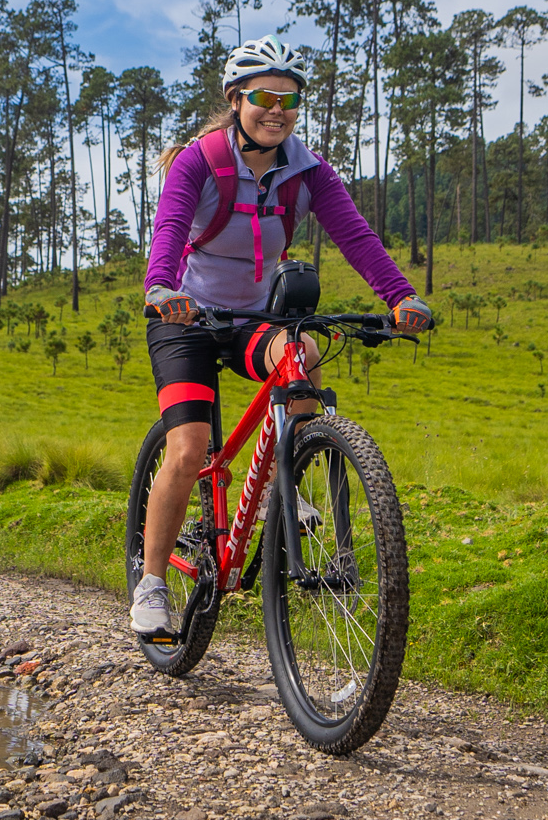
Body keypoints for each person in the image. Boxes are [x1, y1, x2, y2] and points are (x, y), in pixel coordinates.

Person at [132, 37, 432, 633]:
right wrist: (161, 288)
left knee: (304, 349)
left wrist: (399, 295)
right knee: (190, 451)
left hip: (252, 321)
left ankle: (282, 484)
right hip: (186, 319)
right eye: (265, 96)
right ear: (236, 100)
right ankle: (152, 582)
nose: (278, 109)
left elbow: (356, 235)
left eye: (290, 99)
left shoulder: (308, 170)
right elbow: (169, 226)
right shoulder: (201, 160)